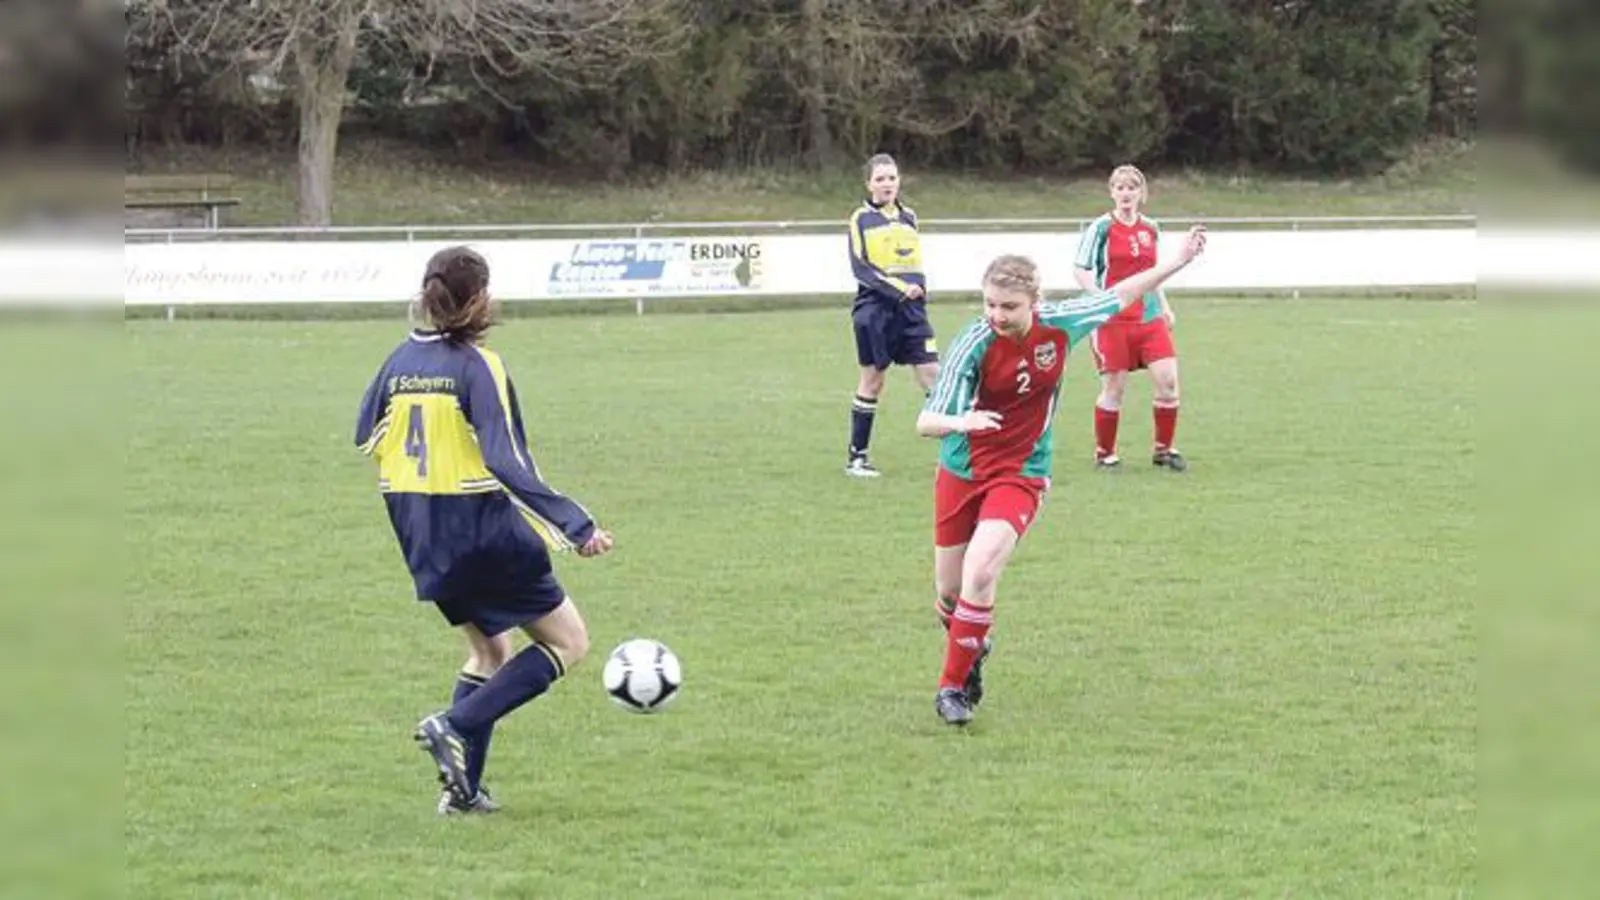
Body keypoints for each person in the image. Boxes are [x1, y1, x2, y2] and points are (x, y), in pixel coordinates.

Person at [353, 245, 614, 813]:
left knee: (490, 652)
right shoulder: (478, 365)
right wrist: (574, 525)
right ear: (477, 300)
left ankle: (463, 792)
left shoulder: (396, 361)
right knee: (569, 642)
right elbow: (505, 458)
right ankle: (453, 722)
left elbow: (367, 440)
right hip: (478, 526)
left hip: (419, 533)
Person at [918, 226, 1207, 726]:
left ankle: (952, 690)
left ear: (1034, 301)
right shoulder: (973, 343)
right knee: (948, 593)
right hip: (961, 470)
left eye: (1008, 306)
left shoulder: (1061, 322)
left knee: (981, 571)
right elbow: (926, 421)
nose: (996, 316)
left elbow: (1121, 293)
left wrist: (1178, 260)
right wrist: (962, 421)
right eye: (989, 304)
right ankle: (972, 647)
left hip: (1022, 470)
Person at [1073, 164, 1187, 472]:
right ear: (1111, 192)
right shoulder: (1101, 228)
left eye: (1131, 187)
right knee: (1115, 387)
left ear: (1141, 193)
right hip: (1113, 319)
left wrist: (1164, 305)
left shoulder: (1151, 228)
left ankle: (1164, 450)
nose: (1125, 193)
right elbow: (1080, 269)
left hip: (1148, 316)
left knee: (1168, 380)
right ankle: (1105, 454)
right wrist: (1100, 299)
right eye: (1119, 187)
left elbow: (1155, 273)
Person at [844, 152, 939, 477]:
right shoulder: (860, 219)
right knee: (873, 380)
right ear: (869, 183)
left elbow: (915, 264)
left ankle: (959, 455)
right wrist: (899, 289)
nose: (887, 184)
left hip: (912, 311)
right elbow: (861, 268)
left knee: (934, 375)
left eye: (892, 177)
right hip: (876, 309)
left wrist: (918, 291)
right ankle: (857, 457)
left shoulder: (910, 216)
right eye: (880, 178)